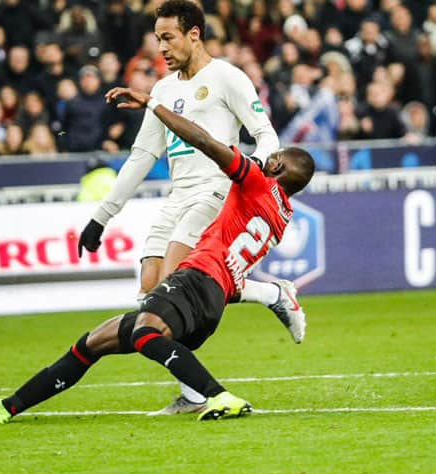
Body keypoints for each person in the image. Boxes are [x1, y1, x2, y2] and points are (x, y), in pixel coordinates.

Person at [0, 83, 315, 425]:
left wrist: (154, 104)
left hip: (197, 280)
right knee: (93, 342)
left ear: (276, 169)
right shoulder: (282, 217)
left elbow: (205, 142)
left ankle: (218, 395)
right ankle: (5, 409)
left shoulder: (256, 182)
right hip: (211, 298)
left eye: (273, 158)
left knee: (145, 332)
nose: (265, 157)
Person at [75, 0, 305, 415]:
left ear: (194, 34)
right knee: (150, 290)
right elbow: (142, 156)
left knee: (174, 284)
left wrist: (253, 172)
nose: (160, 47)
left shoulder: (227, 78)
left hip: (215, 191)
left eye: (168, 37)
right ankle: (201, 382)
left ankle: (267, 301)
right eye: (157, 38)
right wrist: (100, 217)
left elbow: (264, 133)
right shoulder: (162, 90)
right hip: (177, 196)